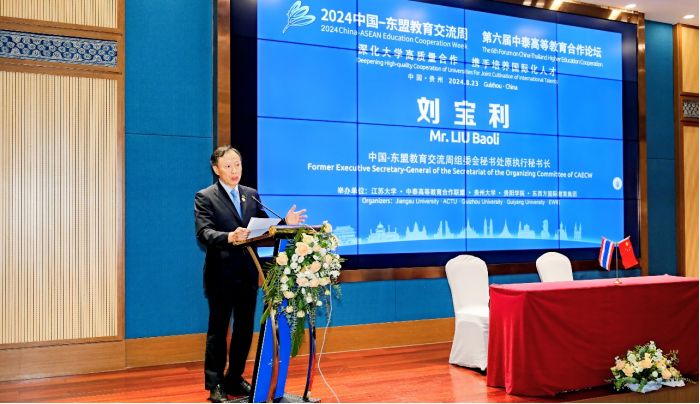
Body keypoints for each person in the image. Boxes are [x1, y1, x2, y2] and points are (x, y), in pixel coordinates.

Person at [194, 146, 307, 403]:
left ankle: (234, 377)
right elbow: (204, 233)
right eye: (228, 166)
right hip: (221, 274)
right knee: (218, 332)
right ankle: (215, 384)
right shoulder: (205, 196)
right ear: (216, 169)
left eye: (238, 165)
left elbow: (266, 229)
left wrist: (284, 223)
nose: (234, 170)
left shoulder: (251, 195)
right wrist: (229, 237)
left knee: (244, 331)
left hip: (248, 273)